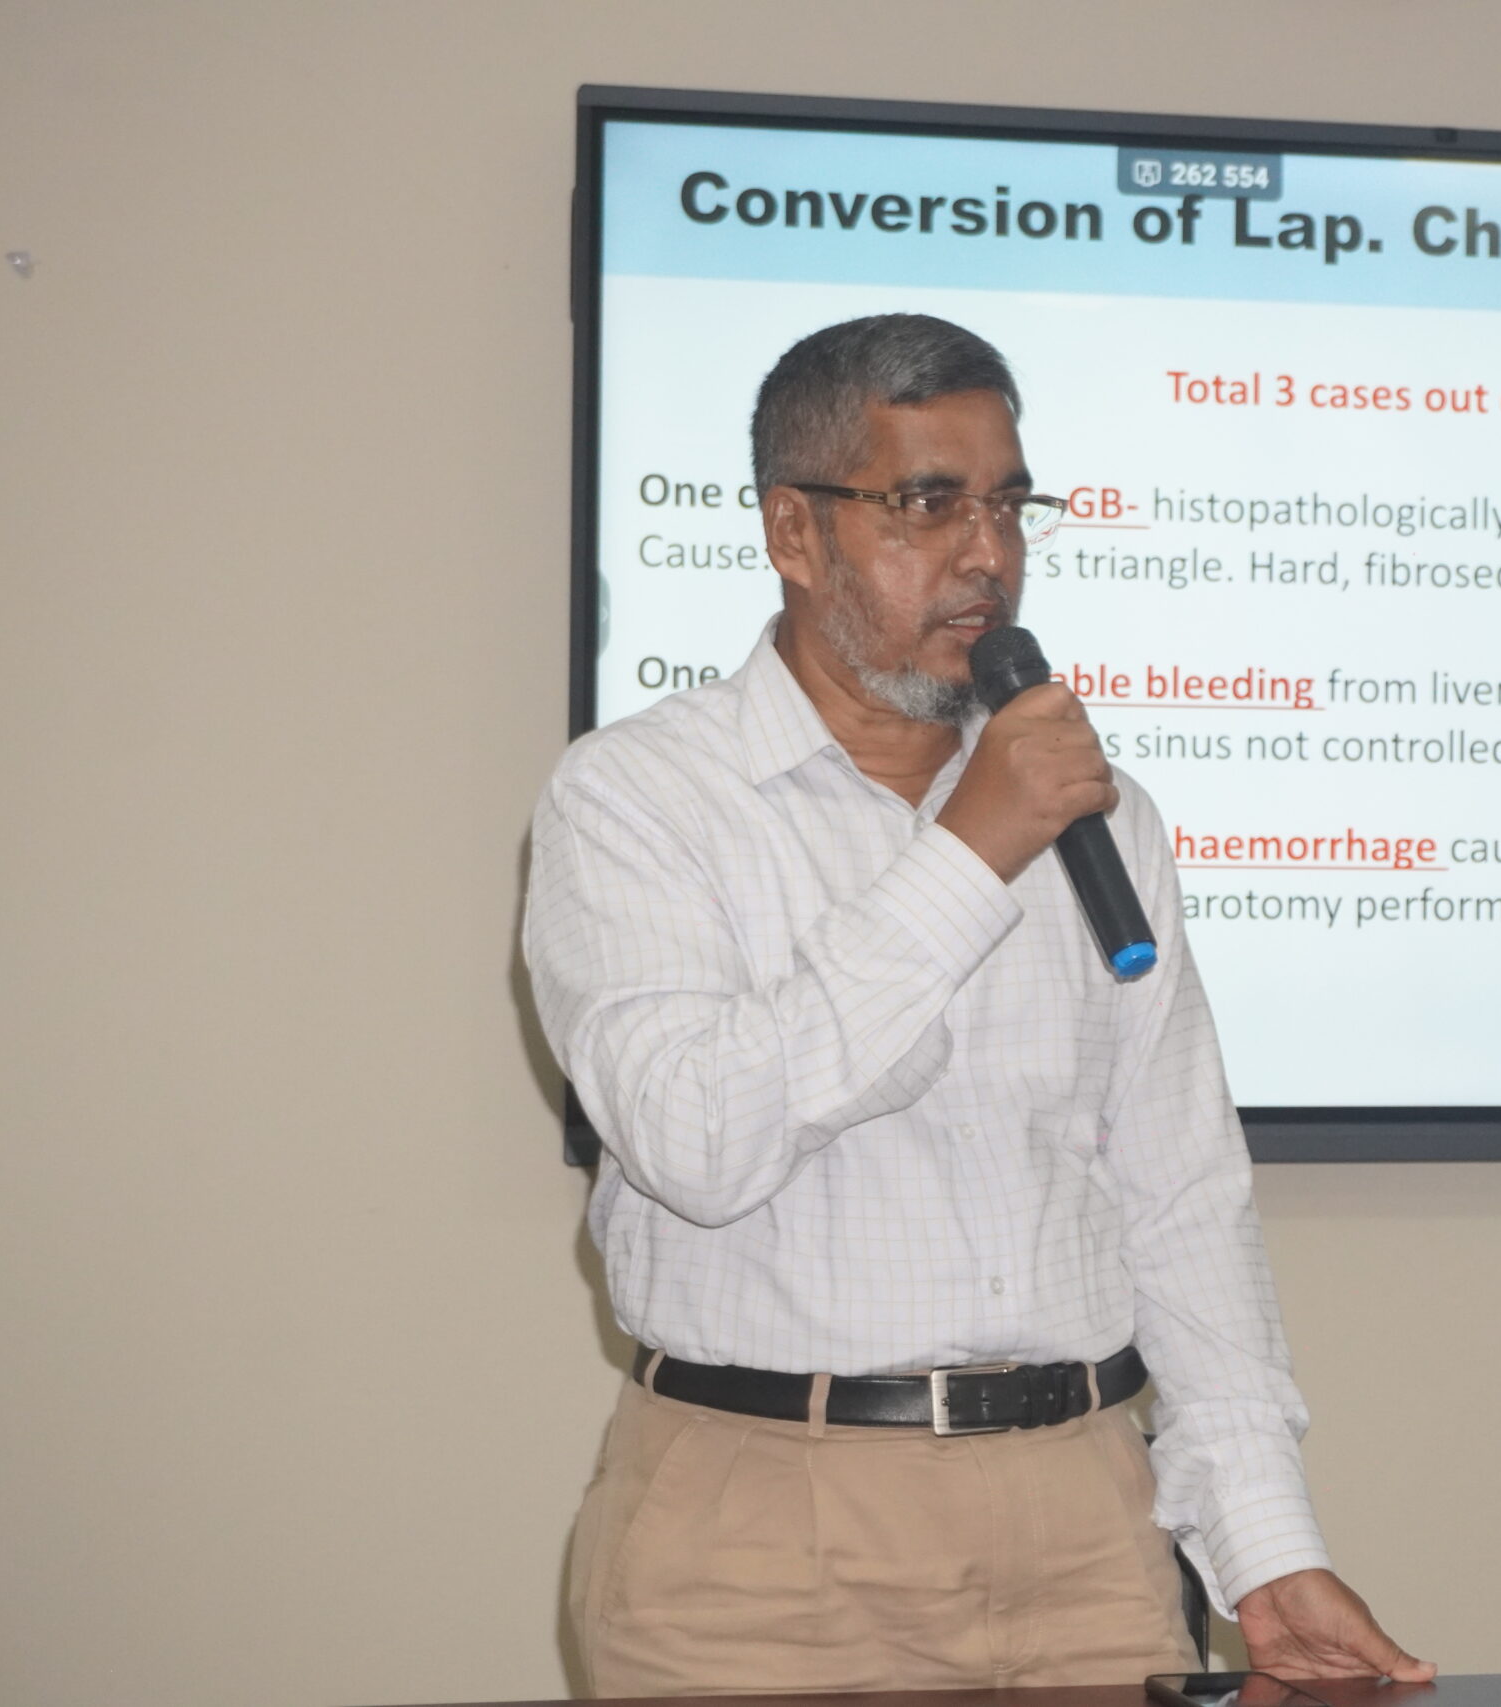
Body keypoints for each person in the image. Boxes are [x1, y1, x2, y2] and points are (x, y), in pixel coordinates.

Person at [524, 314, 1431, 1697]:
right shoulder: (638, 797)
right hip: (765, 1539)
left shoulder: (1100, 815)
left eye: (1008, 504)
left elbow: (1180, 1197)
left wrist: (1264, 1544)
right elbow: (697, 1141)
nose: (986, 554)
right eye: (926, 503)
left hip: (1090, 1524)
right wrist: (970, 852)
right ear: (793, 530)